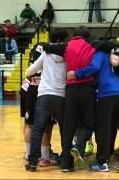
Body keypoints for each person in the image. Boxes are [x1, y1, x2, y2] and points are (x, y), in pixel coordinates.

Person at [42, 28, 97, 172]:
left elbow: (45, 46)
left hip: (71, 90)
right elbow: (110, 46)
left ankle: (66, 164)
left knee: (68, 127)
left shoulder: (66, 46)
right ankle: (78, 146)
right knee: (88, 123)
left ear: (73, 36)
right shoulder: (92, 45)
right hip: (86, 88)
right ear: (87, 37)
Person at [67, 41, 119, 172]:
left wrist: (76, 73)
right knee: (112, 128)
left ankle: (101, 162)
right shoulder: (112, 55)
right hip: (118, 92)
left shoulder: (100, 54)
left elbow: (94, 67)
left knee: (103, 129)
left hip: (105, 94)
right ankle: (107, 157)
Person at [25, 29, 68, 172]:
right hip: (60, 96)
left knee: (38, 129)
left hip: (44, 95)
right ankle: (66, 160)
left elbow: (30, 70)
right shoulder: (67, 54)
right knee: (64, 130)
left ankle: (32, 162)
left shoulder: (46, 53)